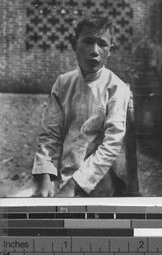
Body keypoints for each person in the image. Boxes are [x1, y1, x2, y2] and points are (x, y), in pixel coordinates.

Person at [19, 14, 134, 197]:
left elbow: (112, 145)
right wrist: (46, 174)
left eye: (102, 44)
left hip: (94, 178)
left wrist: (73, 185)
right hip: (57, 170)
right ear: (74, 44)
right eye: (88, 41)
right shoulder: (63, 83)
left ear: (110, 50)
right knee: (16, 201)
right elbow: (50, 134)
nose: (94, 51)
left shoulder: (116, 88)